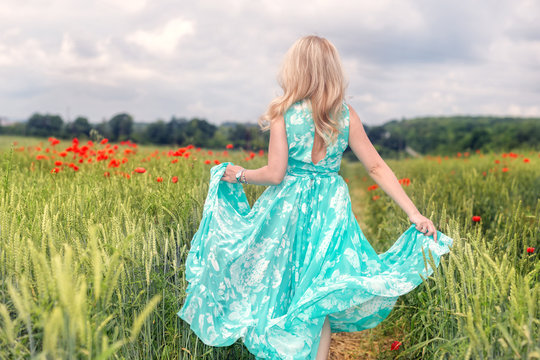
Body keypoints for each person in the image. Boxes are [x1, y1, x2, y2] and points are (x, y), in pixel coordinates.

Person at [177, 35, 453, 360]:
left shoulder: (284, 114)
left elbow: (275, 174)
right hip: (330, 209)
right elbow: (376, 167)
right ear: (331, 71)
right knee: (317, 292)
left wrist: (240, 174)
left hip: (286, 209)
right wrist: (413, 214)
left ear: (296, 70)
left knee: (279, 287)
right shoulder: (345, 115)